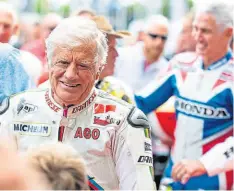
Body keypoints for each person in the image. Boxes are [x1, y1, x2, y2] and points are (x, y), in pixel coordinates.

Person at [0, 16, 155, 190]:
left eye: (83, 65)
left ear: (98, 70)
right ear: (49, 63)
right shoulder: (14, 109)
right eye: (63, 62)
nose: (70, 74)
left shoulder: (125, 120)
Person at [134, 0, 233, 190]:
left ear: (228, 33)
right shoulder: (180, 65)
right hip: (173, 176)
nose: (197, 37)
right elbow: (139, 103)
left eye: (205, 31)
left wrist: (204, 163)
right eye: (195, 29)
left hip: (215, 181)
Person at [114, 14, 169, 91]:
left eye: (163, 38)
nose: (159, 42)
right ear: (143, 35)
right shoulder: (120, 56)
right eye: (154, 36)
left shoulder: (166, 69)